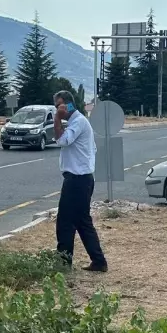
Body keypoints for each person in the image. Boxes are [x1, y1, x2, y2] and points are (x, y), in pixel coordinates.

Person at [52, 90, 107, 272]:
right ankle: (98, 261)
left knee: (65, 222)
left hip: (77, 180)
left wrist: (56, 119)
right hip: (82, 179)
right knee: (82, 222)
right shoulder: (79, 122)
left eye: (59, 105)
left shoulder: (78, 122)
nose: (57, 109)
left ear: (68, 104)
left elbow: (63, 141)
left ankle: (63, 263)